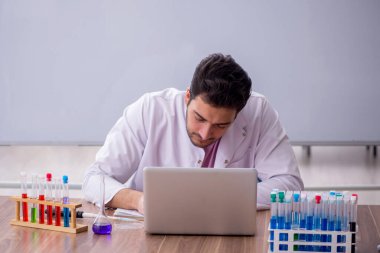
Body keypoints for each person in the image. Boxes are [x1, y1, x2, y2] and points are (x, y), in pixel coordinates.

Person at [83, 53, 304, 213]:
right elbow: (95, 179)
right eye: (199, 118)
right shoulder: (150, 109)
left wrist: (220, 199)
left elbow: (289, 183)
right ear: (187, 96)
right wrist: (140, 201)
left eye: (221, 125)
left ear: (239, 113)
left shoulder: (258, 111)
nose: (206, 133)